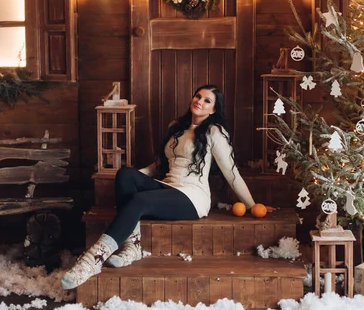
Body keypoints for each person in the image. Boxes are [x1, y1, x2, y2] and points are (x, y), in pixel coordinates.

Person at [61, 84, 275, 289]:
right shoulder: (177, 127)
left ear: (214, 109)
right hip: (166, 186)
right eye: (198, 96)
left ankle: (92, 261)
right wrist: (135, 177)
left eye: (207, 100)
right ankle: (132, 247)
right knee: (125, 174)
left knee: (140, 200)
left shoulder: (214, 132)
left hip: (192, 197)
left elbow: (232, 173)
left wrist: (252, 204)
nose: (199, 101)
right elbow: (159, 166)